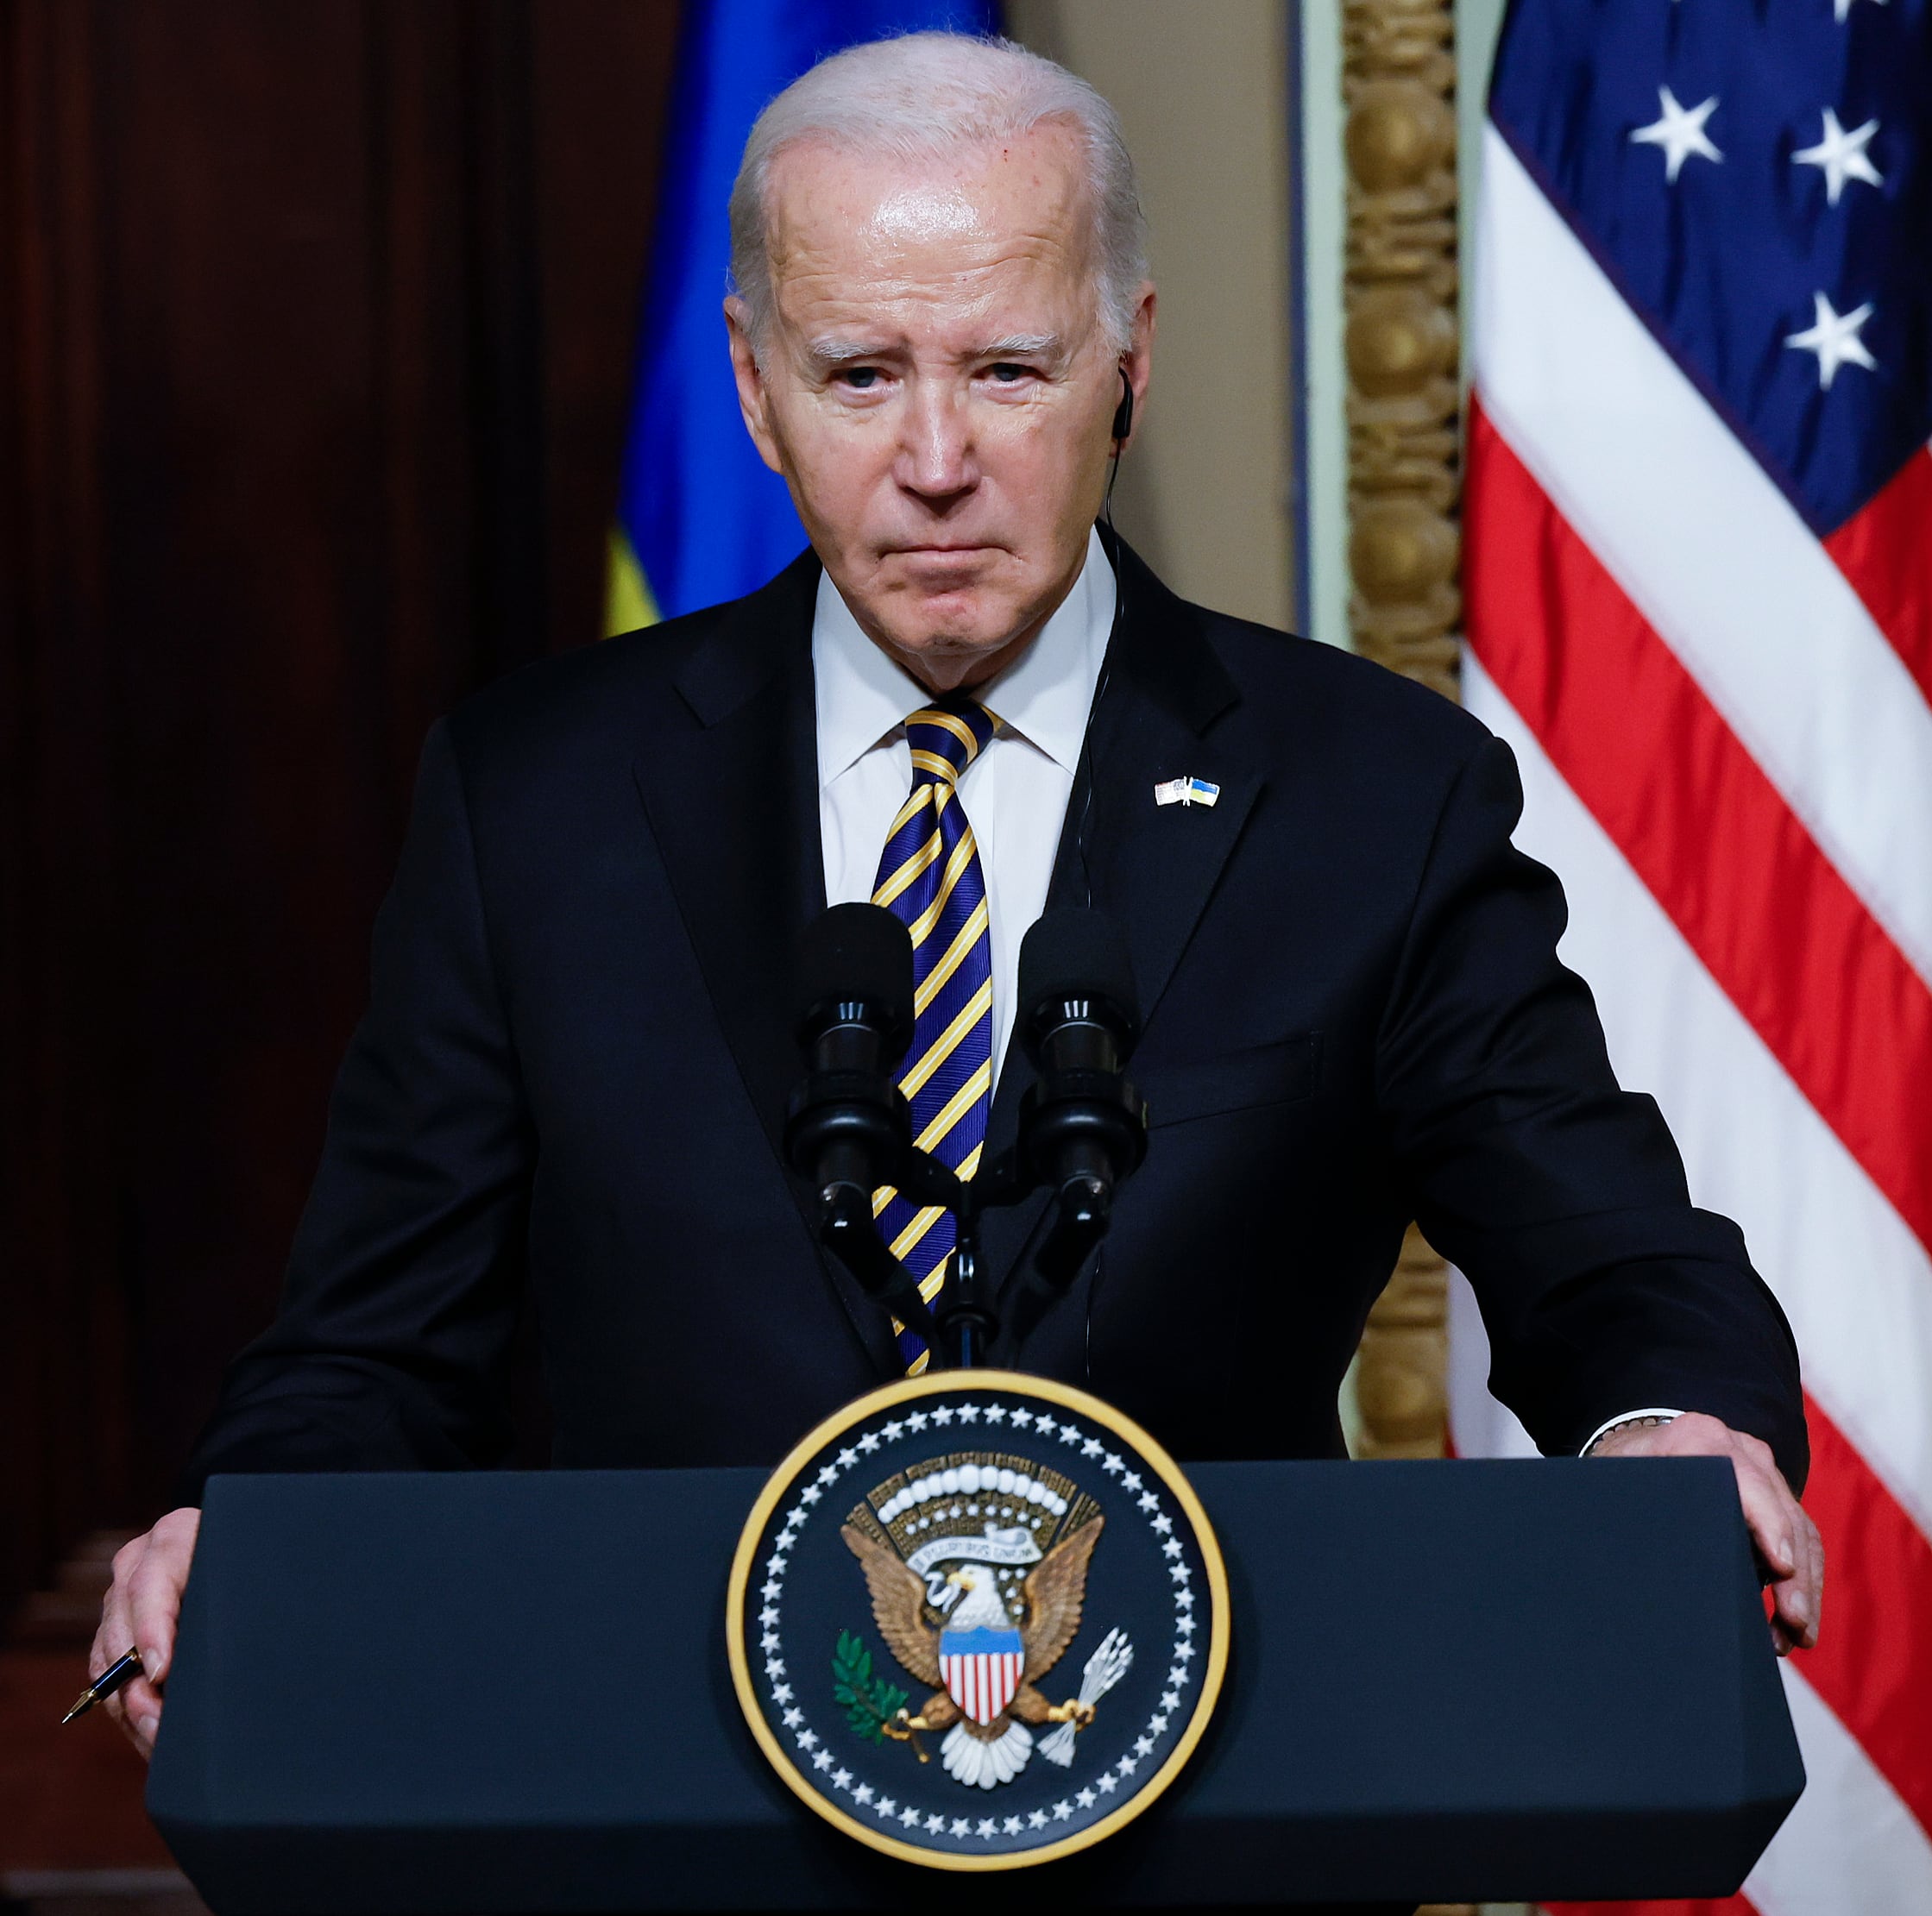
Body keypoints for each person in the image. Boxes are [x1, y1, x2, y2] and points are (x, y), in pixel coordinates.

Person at [90, 33, 1818, 1756]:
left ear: (1126, 359)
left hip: (1217, 1793)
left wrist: (1666, 1423)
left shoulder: (1369, 792)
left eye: (1005, 368)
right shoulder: (538, 797)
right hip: (668, 1801)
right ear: (753, 387)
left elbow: (1606, 1253)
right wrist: (257, 1529)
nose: (934, 459)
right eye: (858, 375)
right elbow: (372, 1349)